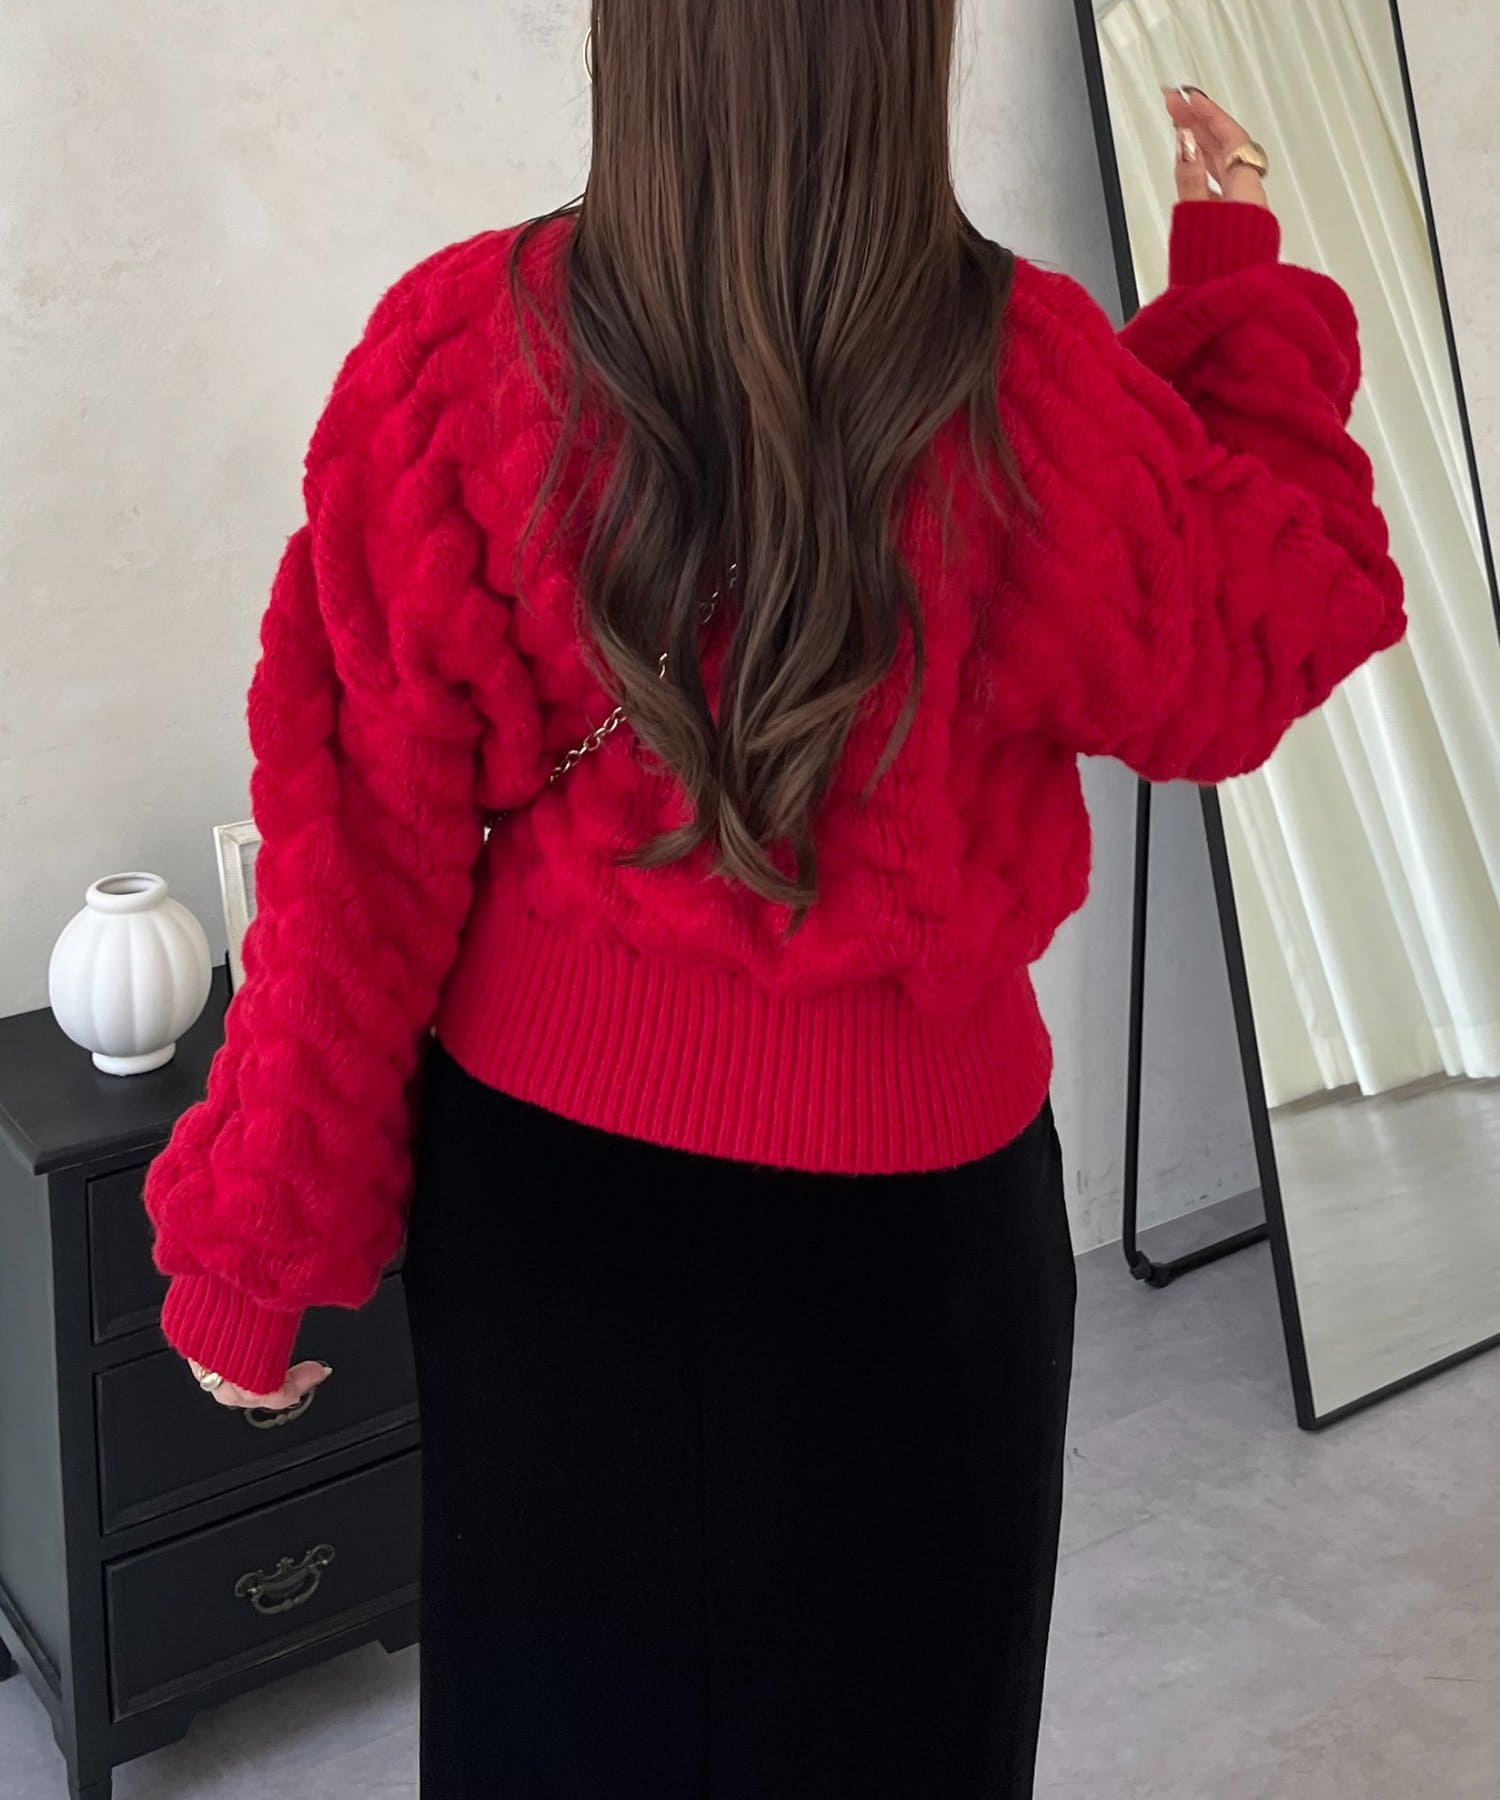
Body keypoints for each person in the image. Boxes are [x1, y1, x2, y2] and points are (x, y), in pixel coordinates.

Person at [140, 6, 1404, 1793]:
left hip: (550, 1228)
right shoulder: (1040, 393)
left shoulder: (453, 360)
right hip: (915, 1259)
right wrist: (1234, 276)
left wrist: (259, 1245)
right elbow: (1268, 625)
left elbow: (358, 848)